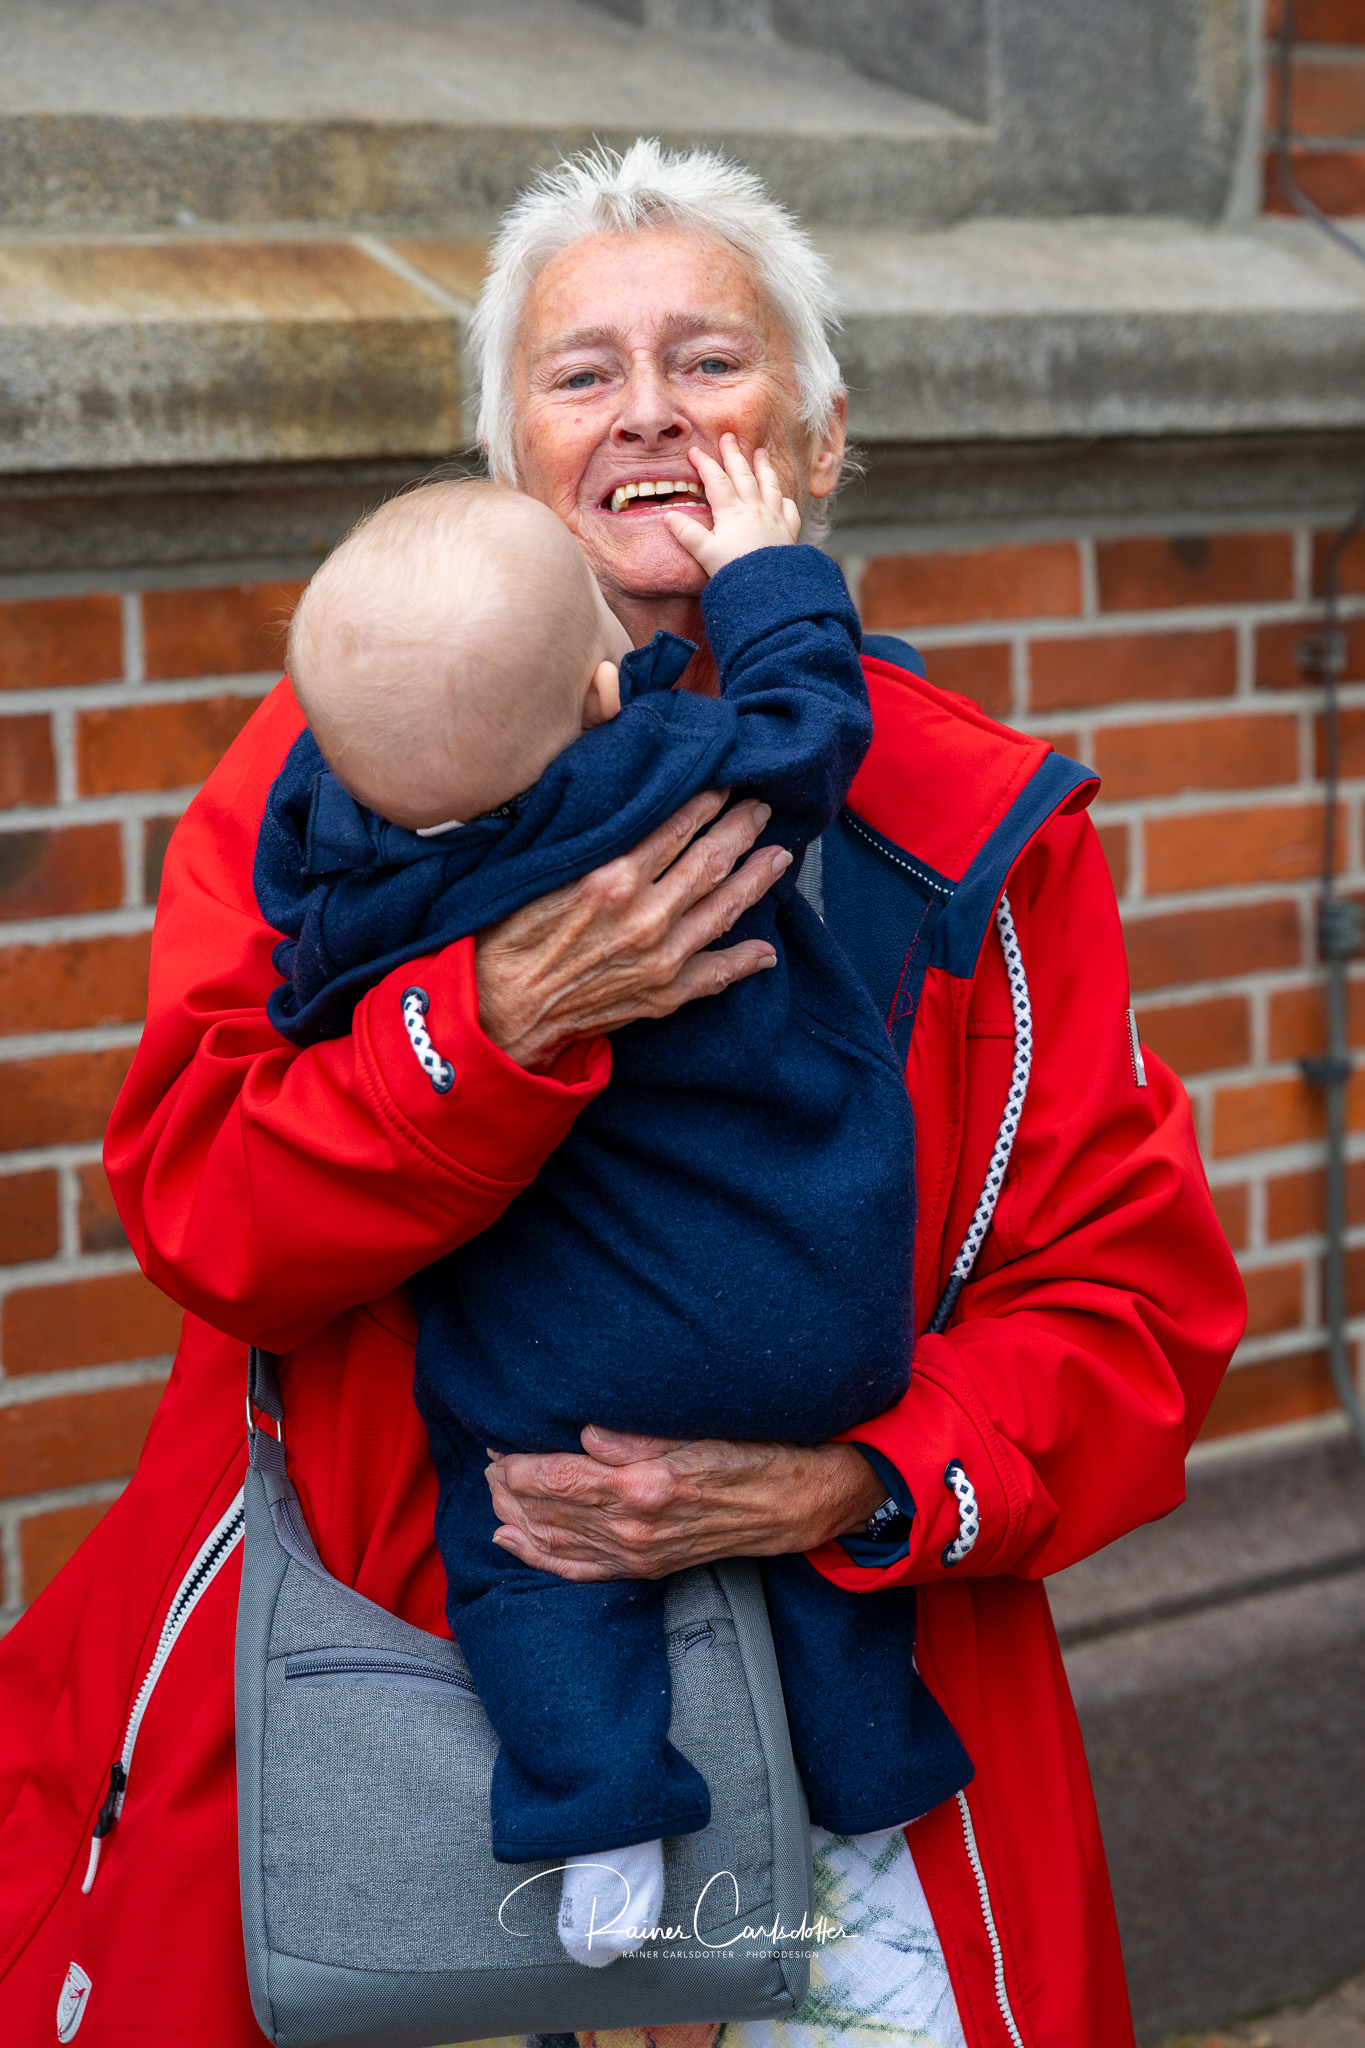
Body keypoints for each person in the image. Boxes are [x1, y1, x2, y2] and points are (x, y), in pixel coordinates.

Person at [0, 140, 1245, 2048]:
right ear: (506, 460)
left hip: (858, 1665)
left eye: (710, 362)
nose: (648, 411)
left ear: (817, 443)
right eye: (581, 373)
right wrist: (489, 1028)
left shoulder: (966, 819)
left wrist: (844, 1482)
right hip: (374, 1682)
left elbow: (1134, 1311)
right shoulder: (324, 787)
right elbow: (203, 1214)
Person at [259, 454, 969, 1964]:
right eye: (579, 378)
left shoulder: (355, 863)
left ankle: (598, 1819)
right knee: (809, 1537)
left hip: (566, 1362)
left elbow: (295, 980)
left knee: (529, 1542)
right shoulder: (660, 768)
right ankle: (871, 1774)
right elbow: (807, 726)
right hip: (812, 1307)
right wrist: (766, 579)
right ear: (595, 692)